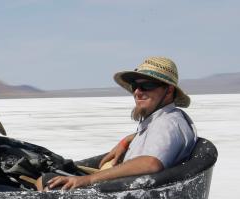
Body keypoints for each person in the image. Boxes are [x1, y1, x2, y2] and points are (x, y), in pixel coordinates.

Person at [48, 57, 197, 190]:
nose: (138, 92)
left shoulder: (167, 123)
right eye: (135, 86)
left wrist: (89, 179)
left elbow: (150, 163)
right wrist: (127, 140)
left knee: (46, 182)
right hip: (125, 190)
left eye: (148, 85)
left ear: (169, 90)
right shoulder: (164, 119)